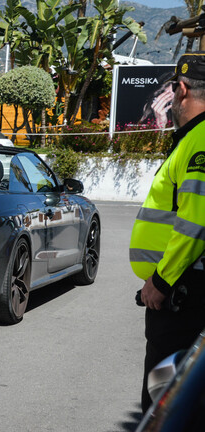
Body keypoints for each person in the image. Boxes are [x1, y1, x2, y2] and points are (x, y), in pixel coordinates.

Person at [129, 52, 205, 413]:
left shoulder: (200, 140)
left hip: (183, 294)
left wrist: (161, 282)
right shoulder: (193, 138)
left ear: (183, 89)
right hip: (185, 289)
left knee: (165, 402)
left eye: (174, 90)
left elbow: (196, 221)